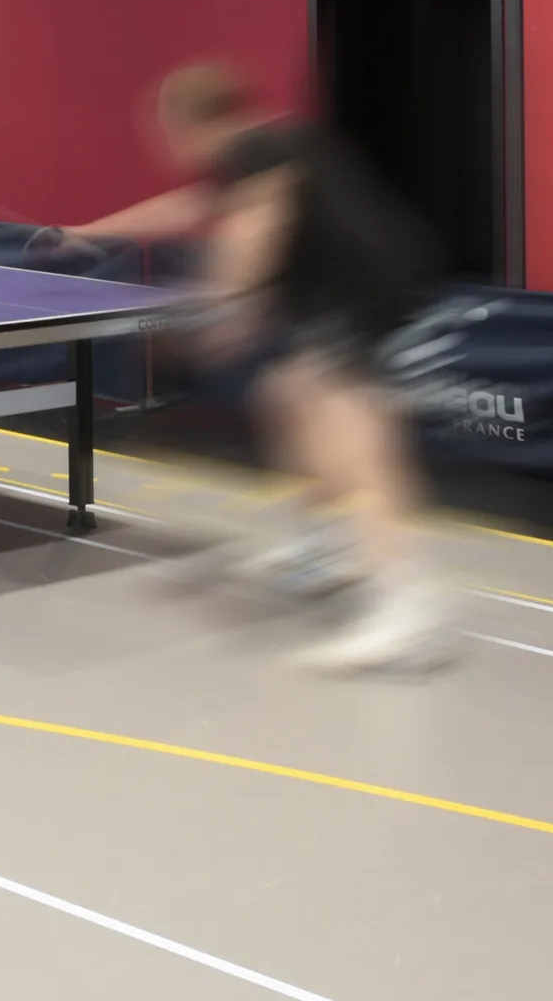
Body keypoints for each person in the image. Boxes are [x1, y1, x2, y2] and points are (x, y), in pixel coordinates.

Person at [67, 61, 445, 673]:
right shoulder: (268, 146)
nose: (166, 142)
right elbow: (191, 206)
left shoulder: (257, 150)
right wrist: (93, 231)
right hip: (356, 293)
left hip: (357, 300)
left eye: (166, 127)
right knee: (284, 394)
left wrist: (223, 308)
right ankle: (320, 546)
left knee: (354, 449)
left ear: (190, 122)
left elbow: (255, 229)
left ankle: (407, 609)